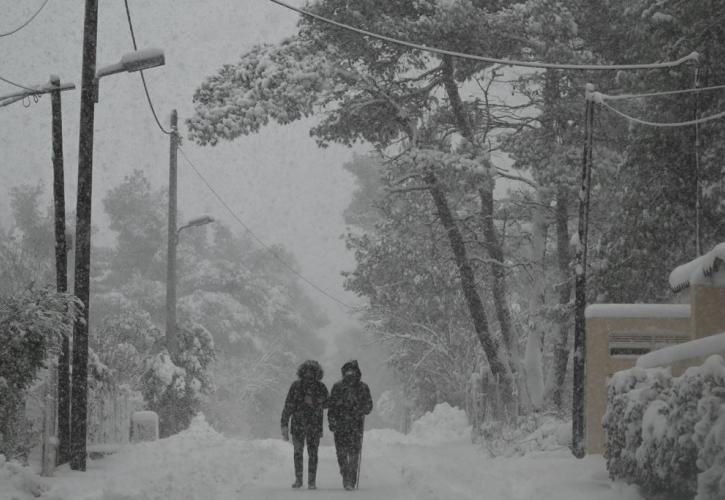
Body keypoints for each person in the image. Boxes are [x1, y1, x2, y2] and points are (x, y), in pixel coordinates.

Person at [281, 360, 328, 490]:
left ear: (316, 373)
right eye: (306, 371)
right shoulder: (295, 386)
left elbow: (327, 403)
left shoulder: (321, 387)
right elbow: (288, 405)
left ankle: (311, 481)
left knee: (313, 454)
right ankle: (299, 479)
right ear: (302, 372)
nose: (308, 374)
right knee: (298, 453)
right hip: (298, 426)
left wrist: (314, 401)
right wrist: (284, 424)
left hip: (314, 426)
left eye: (311, 371)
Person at [327, 360, 373, 490]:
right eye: (348, 371)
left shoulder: (363, 387)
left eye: (352, 371)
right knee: (341, 454)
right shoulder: (337, 387)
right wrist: (332, 421)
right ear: (344, 372)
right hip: (340, 427)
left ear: (357, 372)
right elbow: (331, 407)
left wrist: (363, 408)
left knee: (353, 454)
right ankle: (345, 475)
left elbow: (369, 406)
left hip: (355, 426)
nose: (350, 374)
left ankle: (350, 479)